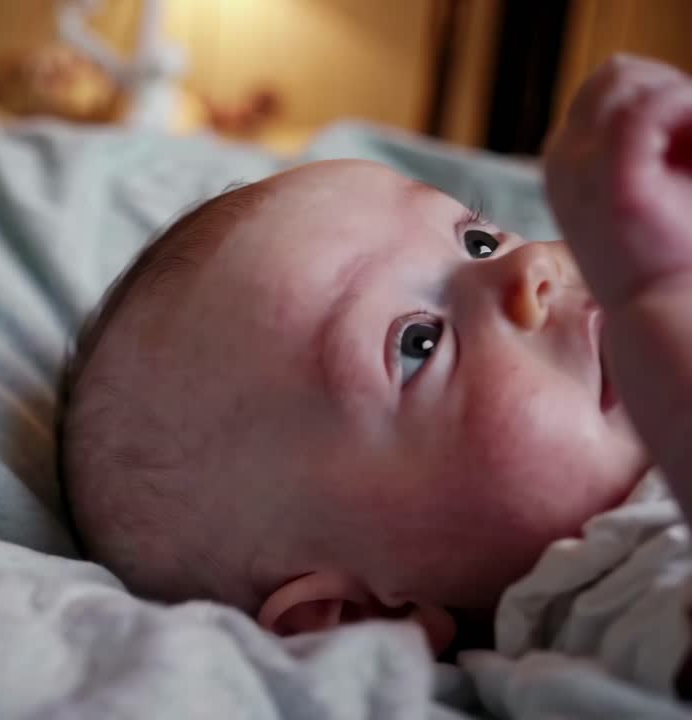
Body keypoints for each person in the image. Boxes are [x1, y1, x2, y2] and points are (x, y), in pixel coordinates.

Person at [57, 53, 692, 682]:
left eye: (478, 241)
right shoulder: (620, 594)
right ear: (360, 619)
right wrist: (662, 295)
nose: (524, 269)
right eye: (418, 343)